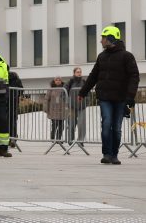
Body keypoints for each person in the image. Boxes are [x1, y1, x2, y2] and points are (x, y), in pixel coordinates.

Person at [78, 26, 140, 165]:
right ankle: (106, 154)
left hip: (121, 98)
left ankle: (114, 155)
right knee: (106, 124)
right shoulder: (102, 56)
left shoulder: (127, 56)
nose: (101, 41)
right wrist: (83, 92)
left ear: (110, 38)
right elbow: (93, 76)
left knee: (116, 128)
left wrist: (130, 96)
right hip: (104, 97)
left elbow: (134, 76)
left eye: (103, 38)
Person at [65, 67, 87, 143]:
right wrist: (67, 102)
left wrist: (86, 102)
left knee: (81, 124)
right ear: (74, 73)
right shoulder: (70, 82)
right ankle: (70, 139)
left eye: (80, 72)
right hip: (71, 107)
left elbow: (88, 93)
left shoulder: (84, 82)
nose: (79, 73)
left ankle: (80, 140)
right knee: (71, 124)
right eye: (77, 72)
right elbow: (63, 92)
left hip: (82, 107)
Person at [44, 76, 67, 142]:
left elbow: (67, 98)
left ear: (61, 81)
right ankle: (52, 137)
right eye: (56, 80)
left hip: (62, 110)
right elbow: (46, 99)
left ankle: (58, 139)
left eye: (59, 80)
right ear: (54, 81)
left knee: (61, 126)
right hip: (53, 110)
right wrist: (46, 108)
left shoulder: (64, 89)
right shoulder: (50, 89)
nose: (58, 81)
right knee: (54, 125)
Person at [7, 69, 25, 145]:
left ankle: (9, 138)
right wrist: (16, 95)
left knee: (5, 121)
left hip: (4, 103)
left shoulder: (2, 77)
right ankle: (13, 138)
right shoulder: (16, 79)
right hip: (13, 102)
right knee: (13, 121)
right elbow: (21, 90)